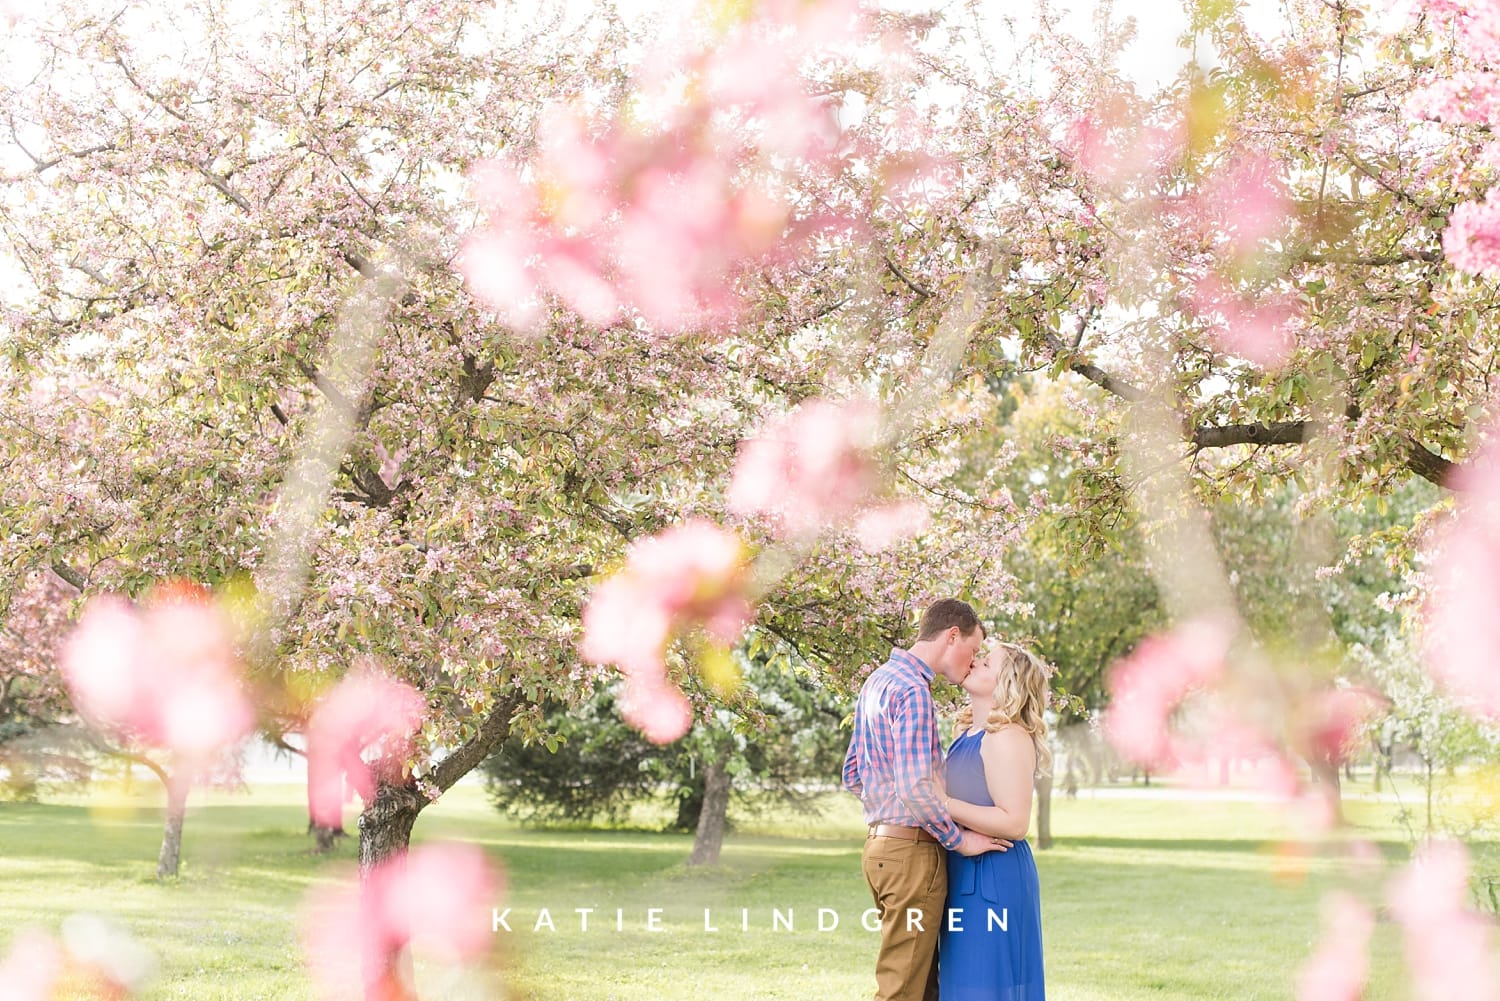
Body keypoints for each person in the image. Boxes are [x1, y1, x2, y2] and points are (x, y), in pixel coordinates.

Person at [843, 598, 1011, 1001]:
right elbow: (916, 787)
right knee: (903, 987)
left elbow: (852, 773)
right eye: (973, 650)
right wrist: (959, 840)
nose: (972, 663)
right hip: (911, 852)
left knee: (921, 984)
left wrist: (888, 815)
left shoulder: (878, 681)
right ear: (953, 635)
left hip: (880, 849)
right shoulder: (914, 691)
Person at [938, 642, 1052, 1001]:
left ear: (1008, 684)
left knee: (985, 986)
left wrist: (942, 803)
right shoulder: (967, 733)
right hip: (962, 871)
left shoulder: (1008, 736)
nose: (975, 663)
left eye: (986, 663)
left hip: (994, 879)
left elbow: (1015, 822)